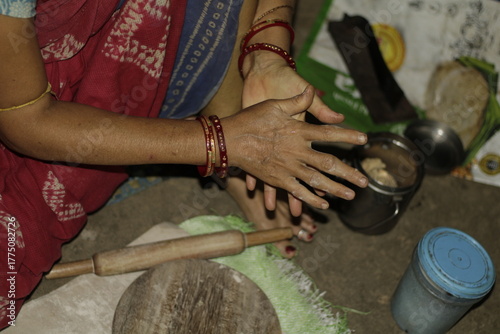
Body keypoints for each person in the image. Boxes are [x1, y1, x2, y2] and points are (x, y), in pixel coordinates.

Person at [0, 0, 368, 327]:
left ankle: (228, 133)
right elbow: (26, 122)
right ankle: (229, 140)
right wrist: (220, 143)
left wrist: (266, 53)